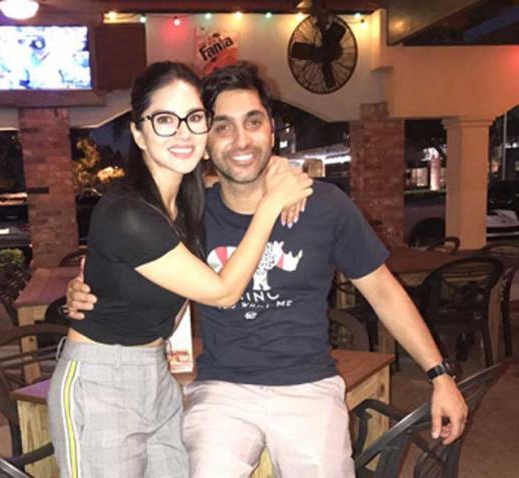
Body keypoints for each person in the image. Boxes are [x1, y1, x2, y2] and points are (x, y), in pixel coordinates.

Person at [66, 62, 468, 478]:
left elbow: (382, 290)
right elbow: (125, 260)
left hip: (308, 385)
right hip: (222, 389)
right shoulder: (191, 214)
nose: (241, 140)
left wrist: (439, 375)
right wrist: (83, 288)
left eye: (253, 122)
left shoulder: (324, 205)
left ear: (272, 131)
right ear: (206, 143)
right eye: (223, 127)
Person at [47, 61, 313, 478]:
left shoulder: (188, 204)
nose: (183, 132)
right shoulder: (127, 214)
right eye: (165, 120)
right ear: (139, 133)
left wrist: (281, 170)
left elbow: (248, 175)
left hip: (157, 373)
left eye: (193, 117)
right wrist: (272, 204)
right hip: (99, 381)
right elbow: (223, 291)